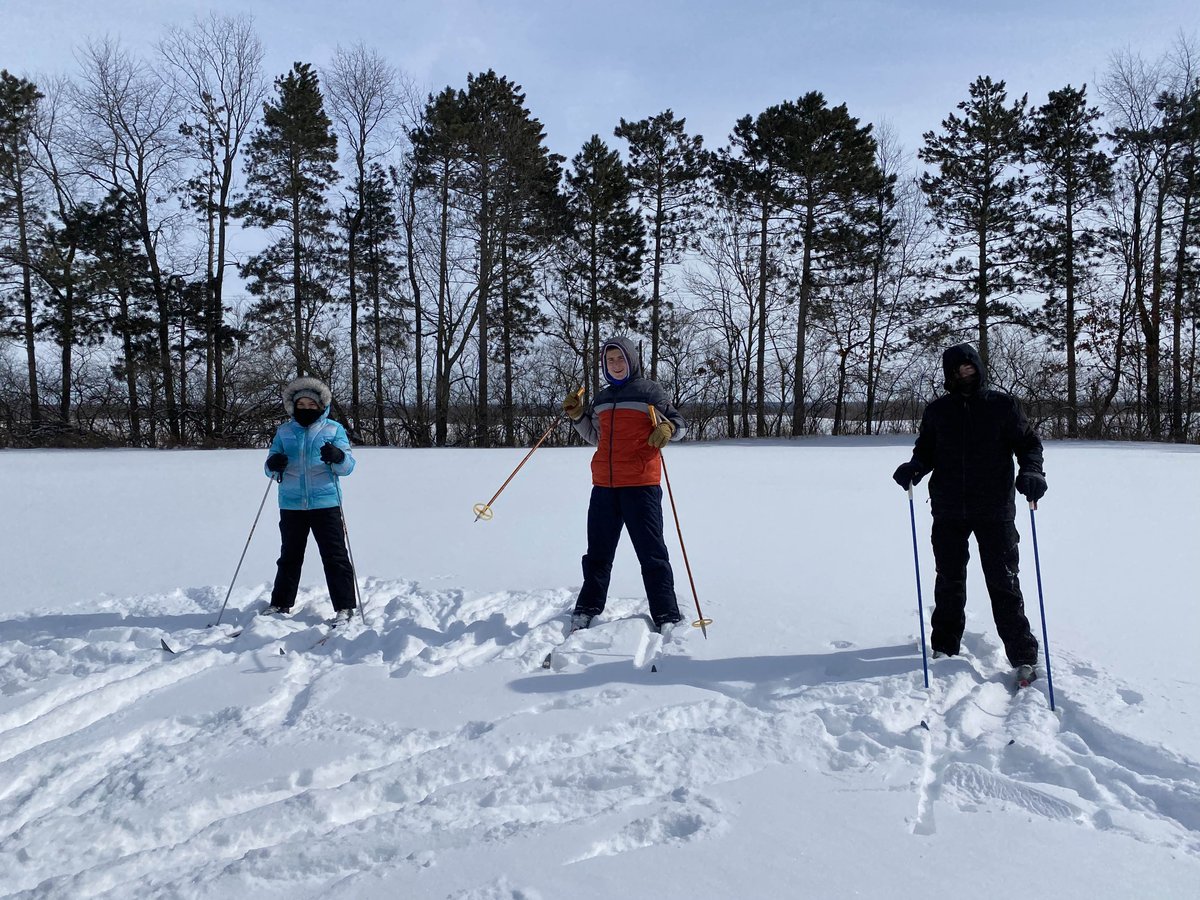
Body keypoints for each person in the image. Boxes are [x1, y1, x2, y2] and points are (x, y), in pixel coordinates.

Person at [892, 343, 1047, 684]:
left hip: (995, 509)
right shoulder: (938, 411)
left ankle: (1023, 656)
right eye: (957, 371)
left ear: (979, 368)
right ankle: (945, 648)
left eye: (970, 368)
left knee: (1004, 582)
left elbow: (1028, 444)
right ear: (949, 375)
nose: (965, 375)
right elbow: (926, 450)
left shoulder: (1002, 406)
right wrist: (915, 467)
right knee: (949, 579)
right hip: (948, 508)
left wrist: (1032, 471)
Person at [562, 336, 687, 635]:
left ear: (631, 360)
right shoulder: (601, 399)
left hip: (641, 484)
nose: (616, 365)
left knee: (652, 552)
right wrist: (579, 416)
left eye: (620, 359)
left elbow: (679, 425)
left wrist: (668, 428)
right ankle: (587, 607)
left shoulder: (649, 391)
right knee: (598, 553)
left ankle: (665, 612)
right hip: (604, 485)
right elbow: (596, 437)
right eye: (610, 360)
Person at [262, 376, 358, 624]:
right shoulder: (284, 431)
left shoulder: (333, 429)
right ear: (293, 406)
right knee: (289, 556)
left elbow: (347, 467)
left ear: (320, 405)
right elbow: (270, 468)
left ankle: (345, 607)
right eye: (301, 405)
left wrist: (337, 456)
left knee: (335, 556)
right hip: (292, 504)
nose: (306, 409)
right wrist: (273, 464)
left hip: (326, 503)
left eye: (311, 405)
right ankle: (280, 604)